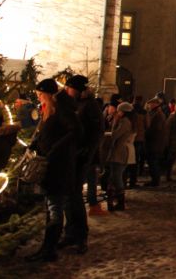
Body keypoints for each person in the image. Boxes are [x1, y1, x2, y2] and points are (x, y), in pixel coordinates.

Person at [27, 79, 81, 263]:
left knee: (54, 208)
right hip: (49, 164)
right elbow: (45, 132)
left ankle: (49, 249)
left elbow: (74, 131)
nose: (39, 98)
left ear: (49, 94)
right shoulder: (48, 111)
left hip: (58, 166)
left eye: (41, 94)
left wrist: (54, 149)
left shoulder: (62, 110)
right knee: (51, 207)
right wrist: (35, 144)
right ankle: (47, 247)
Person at [60, 75, 101, 255]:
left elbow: (97, 133)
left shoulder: (90, 106)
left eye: (69, 88)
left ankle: (80, 236)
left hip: (81, 157)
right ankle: (70, 232)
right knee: (69, 196)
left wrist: (87, 152)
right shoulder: (75, 104)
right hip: (72, 155)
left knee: (75, 196)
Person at [106, 102, 135, 211]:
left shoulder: (125, 122)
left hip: (119, 152)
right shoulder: (125, 121)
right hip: (118, 151)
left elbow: (115, 134)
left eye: (119, 111)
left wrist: (114, 122)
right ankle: (117, 201)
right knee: (115, 176)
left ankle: (120, 202)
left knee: (117, 177)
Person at [144, 96, 166, 187]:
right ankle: (154, 179)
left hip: (155, 142)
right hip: (154, 142)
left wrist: (147, 133)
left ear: (155, 104)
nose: (149, 106)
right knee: (152, 161)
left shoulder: (158, 114)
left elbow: (156, 129)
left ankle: (155, 180)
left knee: (153, 161)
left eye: (151, 104)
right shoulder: (154, 113)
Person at [127, 96, 147, 188]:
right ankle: (133, 180)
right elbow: (148, 125)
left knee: (127, 160)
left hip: (128, 139)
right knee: (135, 160)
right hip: (139, 138)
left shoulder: (128, 111)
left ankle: (126, 179)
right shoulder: (143, 112)